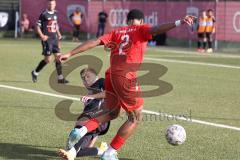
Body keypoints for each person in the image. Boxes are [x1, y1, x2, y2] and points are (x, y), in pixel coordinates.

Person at [58, 9, 195, 160]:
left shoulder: (117, 32)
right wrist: (179, 22)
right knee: (135, 118)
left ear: (127, 20)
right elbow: (156, 29)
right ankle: (110, 152)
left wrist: (70, 53)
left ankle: (83, 129)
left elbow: (95, 41)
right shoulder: (141, 29)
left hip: (111, 76)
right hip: (126, 76)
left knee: (112, 113)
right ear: (141, 21)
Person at [58, 68, 111, 159]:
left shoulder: (101, 81)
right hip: (92, 122)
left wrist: (92, 97)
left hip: (100, 118)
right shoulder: (89, 90)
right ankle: (104, 151)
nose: (85, 79)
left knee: (80, 126)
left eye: (88, 76)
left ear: (96, 76)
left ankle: (72, 151)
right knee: (78, 151)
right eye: (83, 78)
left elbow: (109, 93)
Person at [31, 0, 68, 84]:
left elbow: (55, 25)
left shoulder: (55, 13)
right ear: (47, 4)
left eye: (53, 4)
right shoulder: (44, 14)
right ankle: (35, 72)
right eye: (50, 4)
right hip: (47, 40)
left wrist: (59, 34)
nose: (51, 5)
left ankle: (60, 78)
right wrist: (42, 36)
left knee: (59, 58)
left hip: (55, 39)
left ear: (55, 5)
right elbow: (37, 26)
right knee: (48, 60)